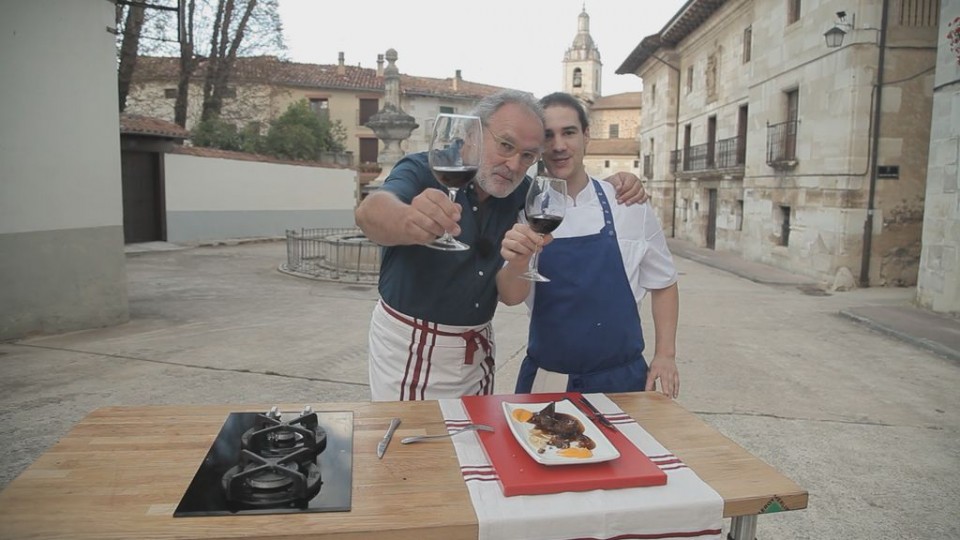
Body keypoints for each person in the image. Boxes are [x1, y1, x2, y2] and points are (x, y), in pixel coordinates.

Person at [355, 89, 648, 401]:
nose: (513, 164)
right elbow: (370, 212)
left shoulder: (523, 193)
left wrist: (618, 182)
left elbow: (572, 196)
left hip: (477, 348)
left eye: (527, 156)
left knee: (470, 443)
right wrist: (408, 220)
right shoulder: (424, 168)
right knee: (412, 444)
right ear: (472, 134)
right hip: (411, 347)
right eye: (506, 145)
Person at [497, 92, 681, 398]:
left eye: (568, 132)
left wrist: (666, 355)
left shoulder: (628, 204)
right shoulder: (523, 211)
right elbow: (510, 297)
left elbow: (664, 283)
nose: (558, 146)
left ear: (586, 136)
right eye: (547, 136)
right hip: (549, 380)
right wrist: (518, 261)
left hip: (623, 383)